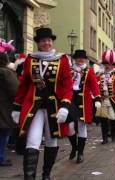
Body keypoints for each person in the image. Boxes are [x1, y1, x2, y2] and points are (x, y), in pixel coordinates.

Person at [11, 27, 73, 180]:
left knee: (51, 140)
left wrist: (65, 106)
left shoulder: (62, 59)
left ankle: (46, 175)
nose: (47, 43)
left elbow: (67, 85)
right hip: (34, 106)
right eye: (44, 41)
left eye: (49, 40)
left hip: (54, 107)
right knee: (32, 141)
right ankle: (29, 177)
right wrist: (17, 107)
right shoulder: (31, 59)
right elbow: (24, 85)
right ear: (38, 43)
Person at [67, 50, 101, 163]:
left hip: (83, 100)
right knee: (70, 127)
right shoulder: (69, 70)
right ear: (75, 59)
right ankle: (74, 147)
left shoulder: (89, 71)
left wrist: (97, 98)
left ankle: (80, 153)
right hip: (70, 99)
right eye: (78, 58)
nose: (80, 60)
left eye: (82, 58)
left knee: (82, 126)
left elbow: (94, 85)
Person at [96, 49, 115, 143]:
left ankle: (112, 135)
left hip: (113, 100)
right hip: (103, 100)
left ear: (112, 64)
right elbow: (95, 85)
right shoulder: (99, 74)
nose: (107, 66)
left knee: (113, 118)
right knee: (103, 119)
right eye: (105, 64)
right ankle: (104, 138)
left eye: (108, 64)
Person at [0, 53, 19, 166]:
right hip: (4, 108)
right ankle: (1, 157)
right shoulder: (6, 73)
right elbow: (16, 90)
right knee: (3, 133)